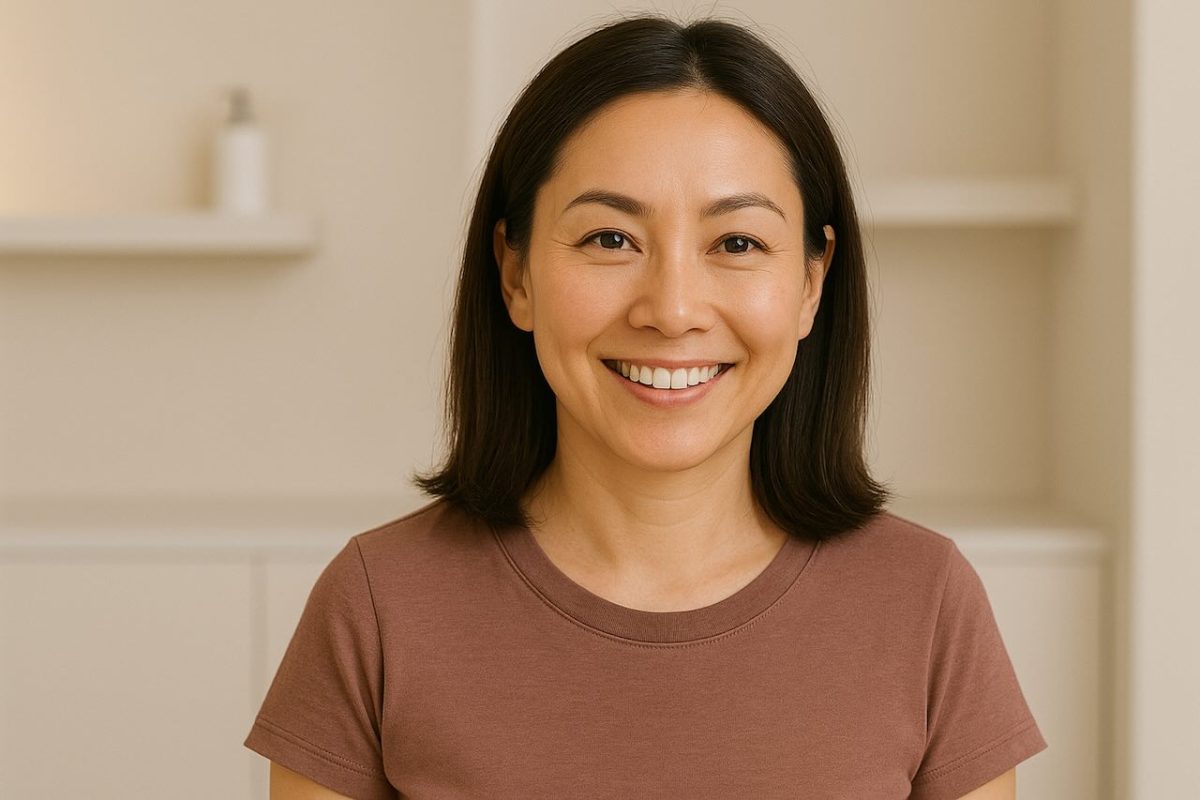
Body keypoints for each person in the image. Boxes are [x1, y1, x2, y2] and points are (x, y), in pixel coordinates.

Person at [244, 14, 1047, 799]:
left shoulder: (925, 600)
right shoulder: (378, 605)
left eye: (737, 244)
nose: (672, 309)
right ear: (515, 274)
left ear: (811, 283)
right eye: (609, 239)